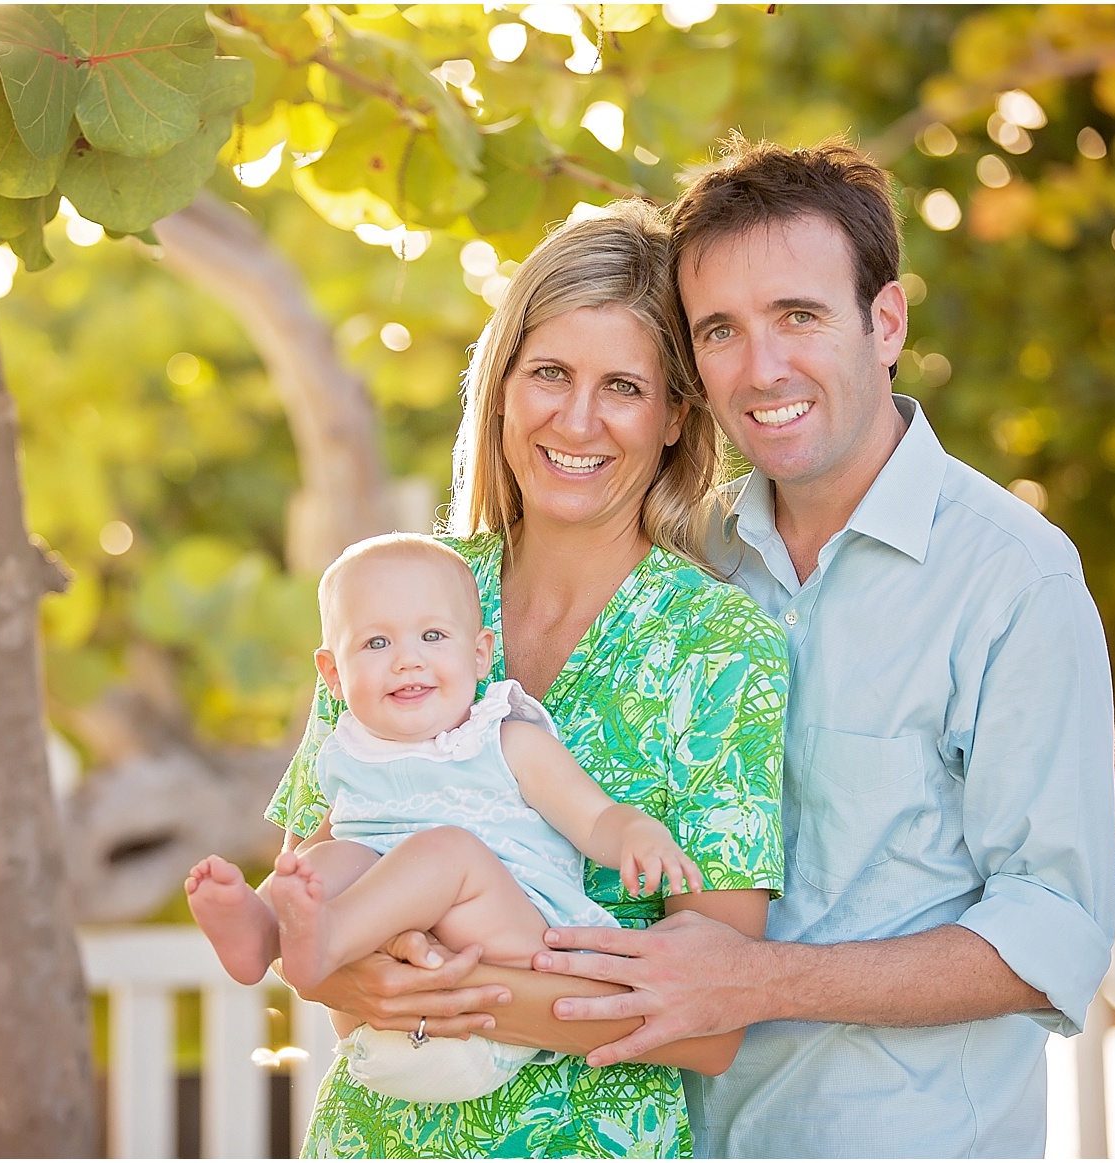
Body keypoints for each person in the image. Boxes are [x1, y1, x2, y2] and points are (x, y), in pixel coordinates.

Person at [530, 137, 1115, 1157]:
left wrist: (760, 980)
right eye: (720, 331)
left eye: (798, 316)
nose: (762, 369)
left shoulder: (1012, 579)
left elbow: (1056, 928)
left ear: (883, 321)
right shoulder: (683, 557)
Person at [265, 201, 790, 1157]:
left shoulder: (720, 650)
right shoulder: (396, 597)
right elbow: (304, 900)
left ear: (676, 414)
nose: (577, 419)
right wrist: (343, 972)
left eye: (623, 386)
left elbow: (710, 1020)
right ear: (503, 383)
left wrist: (400, 984)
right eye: (550, 372)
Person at [185, 532, 703, 1103]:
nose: (408, 659)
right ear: (333, 675)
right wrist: (304, 885)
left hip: (514, 942)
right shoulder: (349, 753)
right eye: (376, 642)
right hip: (387, 1024)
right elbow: (324, 863)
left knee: (445, 851)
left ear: (479, 654)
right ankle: (259, 934)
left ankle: (327, 941)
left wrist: (635, 832)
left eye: (432, 636)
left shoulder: (505, 738)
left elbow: (595, 817)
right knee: (321, 859)